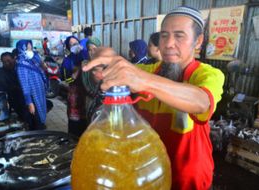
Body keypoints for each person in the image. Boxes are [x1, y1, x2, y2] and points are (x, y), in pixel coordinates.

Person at [83, 6, 225, 190]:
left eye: (179, 35)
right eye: (164, 35)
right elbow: (121, 71)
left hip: (187, 181)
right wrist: (106, 65)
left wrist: (141, 79)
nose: (168, 44)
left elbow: (200, 102)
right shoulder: (149, 70)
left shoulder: (208, 75)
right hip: (148, 174)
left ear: (198, 41)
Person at [16, 40, 47, 130]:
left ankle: (41, 129)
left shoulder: (33, 61)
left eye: (31, 48)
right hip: (32, 97)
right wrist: (29, 102)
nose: (30, 50)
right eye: (28, 48)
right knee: (36, 119)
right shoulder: (21, 64)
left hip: (39, 94)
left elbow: (43, 70)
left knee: (40, 116)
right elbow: (24, 85)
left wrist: (42, 64)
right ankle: (38, 138)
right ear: (22, 49)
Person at [61, 36, 88, 137]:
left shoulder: (86, 55)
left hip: (87, 94)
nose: (75, 45)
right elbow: (65, 79)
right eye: (72, 44)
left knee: (87, 121)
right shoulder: (67, 61)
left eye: (76, 43)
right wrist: (75, 74)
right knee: (75, 123)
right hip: (75, 97)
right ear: (68, 47)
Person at [81, 37, 104, 122]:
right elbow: (69, 80)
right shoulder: (84, 64)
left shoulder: (106, 64)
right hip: (89, 101)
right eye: (89, 50)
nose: (92, 52)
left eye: (94, 49)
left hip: (103, 102)